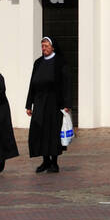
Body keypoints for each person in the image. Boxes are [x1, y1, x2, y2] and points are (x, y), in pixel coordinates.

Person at [26, 35, 71, 173]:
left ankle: (54, 162)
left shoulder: (60, 62)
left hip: (54, 103)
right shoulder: (38, 63)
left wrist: (67, 103)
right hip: (39, 102)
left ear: (52, 47)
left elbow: (67, 84)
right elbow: (32, 84)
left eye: (46, 46)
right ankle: (45, 161)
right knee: (40, 131)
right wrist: (29, 104)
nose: (44, 48)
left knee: (52, 132)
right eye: (42, 46)